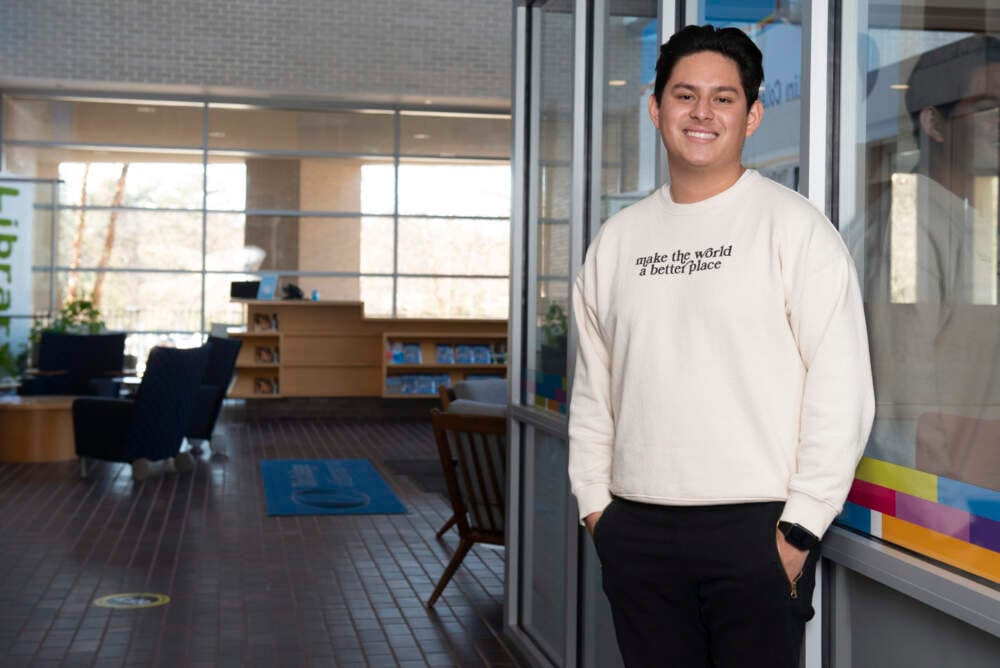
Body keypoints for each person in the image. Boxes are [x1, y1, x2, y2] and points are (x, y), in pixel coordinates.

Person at [567, 24, 875, 667]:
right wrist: (597, 510)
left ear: (753, 114)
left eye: (724, 97)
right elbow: (596, 390)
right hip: (637, 527)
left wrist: (799, 529)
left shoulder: (795, 229)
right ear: (656, 107)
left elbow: (841, 389)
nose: (702, 113)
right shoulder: (617, 241)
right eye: (684, 95)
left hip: (758, 530)